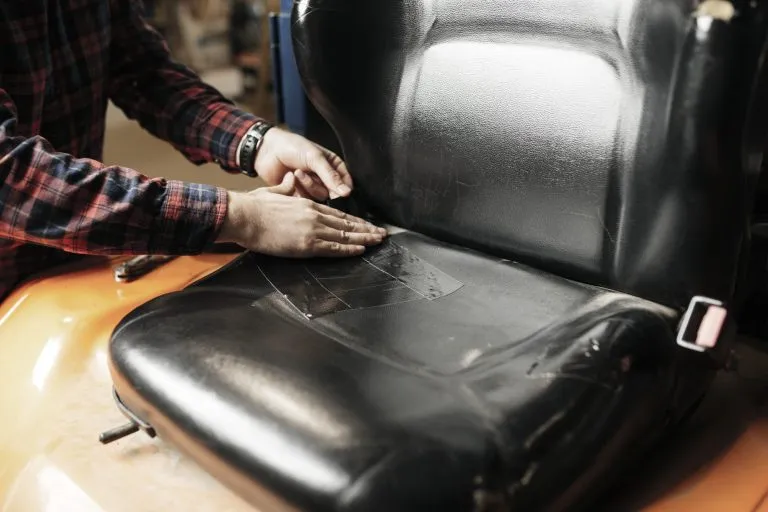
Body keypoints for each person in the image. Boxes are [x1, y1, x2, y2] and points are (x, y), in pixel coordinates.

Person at [0, 0, 386, 301]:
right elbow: (10, 181)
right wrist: (237, 216)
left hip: (69, 265)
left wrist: (257, 141)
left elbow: (144, 74)